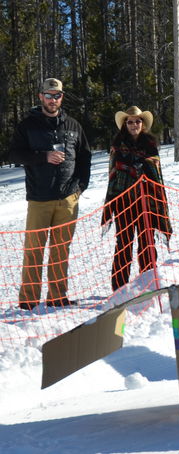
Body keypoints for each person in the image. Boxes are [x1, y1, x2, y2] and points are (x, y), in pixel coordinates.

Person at [9, 78, 91, 310]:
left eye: (57, 96)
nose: (53, 99)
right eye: (48, 95)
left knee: (60, 250)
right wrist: (43, 156)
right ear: (40, 97)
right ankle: (28, 301)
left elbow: (85, 157)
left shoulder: (73, 125)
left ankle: (57, 297)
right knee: (34, 251)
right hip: (39, 199)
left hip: (67, 200)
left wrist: (80, 187)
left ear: (61, 98)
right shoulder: (27, 126)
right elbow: (14, 154)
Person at [101, 106, 172, 291]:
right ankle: (119, 288)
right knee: (123, 245)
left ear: (143, 123)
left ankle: (148, 285)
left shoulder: (150, 144)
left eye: (138, 121)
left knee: (147, 243)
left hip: (145, 202)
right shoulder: (117, 145)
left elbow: (156, 174)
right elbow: (113, 175)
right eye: (130, 121)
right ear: (125, 124)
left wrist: (141, 168)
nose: (134, 125)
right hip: (123, 202)